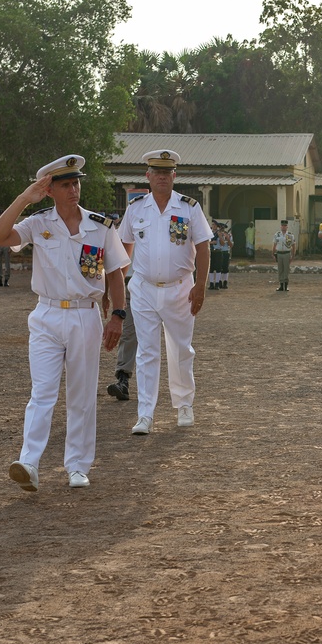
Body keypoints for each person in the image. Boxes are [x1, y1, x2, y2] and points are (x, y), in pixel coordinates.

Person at [0, 154, 129, 491]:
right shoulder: (38, 223)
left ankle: (78, 466)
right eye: (65, 184)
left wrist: (118, 316)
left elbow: (115, 274)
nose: (73, 189)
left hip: (85, 314)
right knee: (42, 393)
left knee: (81, 394)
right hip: (47, 315)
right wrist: (25, 198)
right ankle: (29, 462)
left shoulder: (100, 226)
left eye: (76, 182)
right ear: (49, 190)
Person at [121, 150, 212, 435]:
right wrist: (119, 282)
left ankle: (184, 404)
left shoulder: (189, 207)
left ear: (174, 176)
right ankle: (145, 414)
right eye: (156, 173)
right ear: (147, 176)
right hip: (144, 288)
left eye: (167, 172)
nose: (162, 177)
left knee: (181, 349)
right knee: (146, 352)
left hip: (180, 289)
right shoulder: (136, 208)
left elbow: (204, 246)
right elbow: (124, 246)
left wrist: (201, 285)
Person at [106, 250, 137, 402]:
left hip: (164, 285)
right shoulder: (115, 228)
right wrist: (106, 293)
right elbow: (111, 263)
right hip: (129, 284)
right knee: (128, 333)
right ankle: (123, 380)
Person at [272, 219, 295, 291]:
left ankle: (286, 285)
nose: (284, 227)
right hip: (279, 254)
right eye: (282, 225)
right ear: (280, 226)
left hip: (287, 254)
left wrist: (293, 255)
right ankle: (281, 285)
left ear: (287, 227)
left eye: (285, 226)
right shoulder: (277, 234)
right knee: (280, 270)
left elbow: (294, 246)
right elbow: (274, 245)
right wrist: (273, 254)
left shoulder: (290, 235)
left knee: (286, 270)